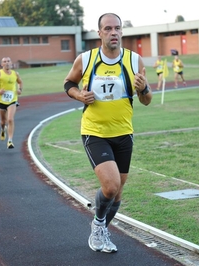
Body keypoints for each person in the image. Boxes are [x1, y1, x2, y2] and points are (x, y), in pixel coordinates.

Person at [63, 13, 152, 253]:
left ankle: (100, 229)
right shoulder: (86, 59)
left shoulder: (134, 61)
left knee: (118, 191)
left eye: (117, 28)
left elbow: (146, 100)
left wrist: (144, 89)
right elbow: (68, 84)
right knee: (111, 186)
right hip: (95, 132)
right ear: (99, 33)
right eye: (108, 29)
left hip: (124, 132)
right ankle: (98, 225)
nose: (114, 33)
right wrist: (79, 95)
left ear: (122, 32)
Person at [0, 57, 23, 149]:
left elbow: (20, 82)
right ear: (1, 64)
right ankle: (3, 129)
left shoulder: (15, 74)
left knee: (10, 119)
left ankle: (10, 141)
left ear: (11, 63)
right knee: (3, 121)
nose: (7, 63)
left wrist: (19, 89)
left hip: (13, 100)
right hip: (2, 100)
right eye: (4, 62)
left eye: (8, 61)